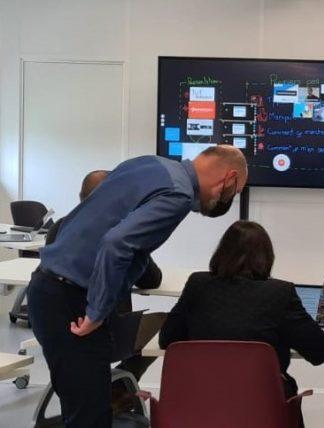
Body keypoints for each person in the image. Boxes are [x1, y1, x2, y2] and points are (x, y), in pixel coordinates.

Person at [27, 145, 247, 427]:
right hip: (72, 301)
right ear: (228, 178)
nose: (226, 199)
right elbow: (116, 243)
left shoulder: (150, 164)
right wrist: (96, 312)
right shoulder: (178, 195)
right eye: (235, 191)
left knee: (80, 410)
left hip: (48, 288)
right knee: (89, 417)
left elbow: (86, 219)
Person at [160, 220, 324, 408]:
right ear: (266, 257)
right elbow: (321, 352)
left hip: (199, 405)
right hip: (262, 410)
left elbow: (167, 339)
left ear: (221, 253)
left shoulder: (197, 284)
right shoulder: (280, 293)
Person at [45, 170, 164, 413]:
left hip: (60, 327)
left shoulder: (59, 228)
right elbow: (151, 279)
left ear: (81, 198)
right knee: (165, 328)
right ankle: (120, 389)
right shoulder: (122, 232)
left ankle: (111, 391)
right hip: (107, 330)